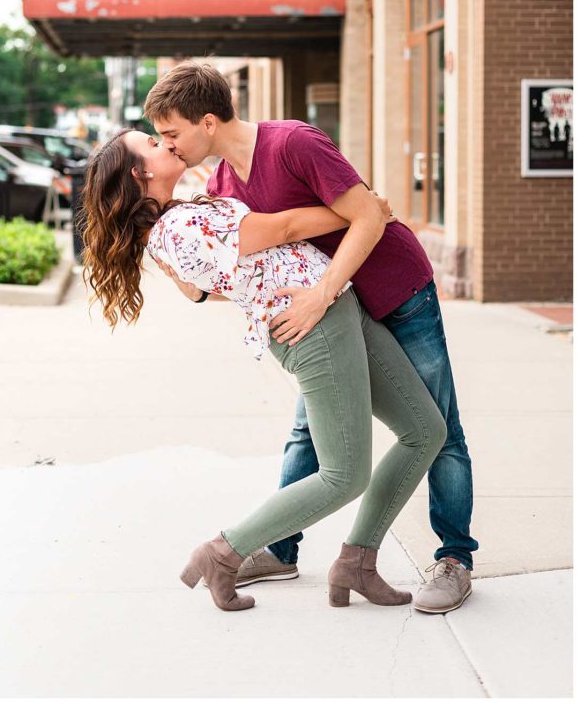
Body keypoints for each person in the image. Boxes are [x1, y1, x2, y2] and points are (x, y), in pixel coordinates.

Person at [143, 62, 478, 614]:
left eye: (172, 134)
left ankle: (454, 558)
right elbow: (256, 265)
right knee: (309, 436)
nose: (169, 147)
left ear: (207, 121)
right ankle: (283, 548)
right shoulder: (223, 184)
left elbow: (368, 217)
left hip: (395, 293)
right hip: (329, 318)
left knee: (441, 430)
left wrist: (322, 291)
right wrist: (202, 284)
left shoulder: (293, 143)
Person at [80, 128, 447, 613]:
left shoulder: (181, 214)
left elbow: (205, 287)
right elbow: (284, 229)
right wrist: (364, 212)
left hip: (334, 303)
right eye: (150, 143)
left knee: (425, 430)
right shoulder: (177, 229)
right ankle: (223, 552)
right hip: (311, 326)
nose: (164, 142)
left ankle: (357, 560)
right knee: (343, 475)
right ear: (139, 173)